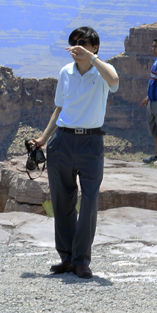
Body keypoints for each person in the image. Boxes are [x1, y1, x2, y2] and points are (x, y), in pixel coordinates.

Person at [28, 26, 119, 279]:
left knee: (89, 201)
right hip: (63, 142)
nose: (75, 46)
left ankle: (82, 260)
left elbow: (114, 81)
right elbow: (59, 109)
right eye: (72, 43)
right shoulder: (65, 72)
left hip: (91, 143)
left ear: (95, 47)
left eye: (82, 42)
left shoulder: (102, 71)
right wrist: (43, 140)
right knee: (62, 202)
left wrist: (92, 59)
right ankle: (67, 258)